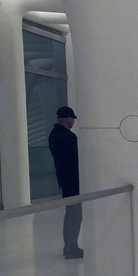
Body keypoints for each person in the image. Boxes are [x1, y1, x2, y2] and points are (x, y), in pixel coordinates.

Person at [48, 106, 82, 259]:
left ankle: (69, 246)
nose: (73, 122)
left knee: (71, 214)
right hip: (73, 181)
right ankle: (71, 247)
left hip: (65, 180)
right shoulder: (68, 137)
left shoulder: (54, 135)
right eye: (72, 119)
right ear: (68, 119)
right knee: (74, 215)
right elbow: (78, 157)